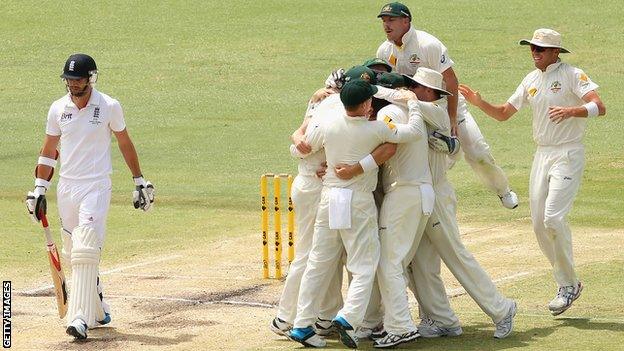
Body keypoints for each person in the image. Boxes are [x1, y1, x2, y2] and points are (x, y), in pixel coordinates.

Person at [459, 28, 606, 316]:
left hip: (568, 152)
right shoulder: (531, 80)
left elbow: (599, 106)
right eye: (532, 47)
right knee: (539, 224)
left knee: (553, 217)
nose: (534, 52)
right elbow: (503, 113)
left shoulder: (573, 74)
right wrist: (479, 103)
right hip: (542, 155)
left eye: (540, 48)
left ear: (555, 52)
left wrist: (570, 111)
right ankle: (571, 282)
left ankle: (566, 285)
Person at [26, 53, 154, 339]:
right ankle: (98, 310)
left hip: (96, 185)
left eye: (78, 80)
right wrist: (39, 188)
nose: (73, 85)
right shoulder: (58, 109)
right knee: (74, 253)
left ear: (91, 78)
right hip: (67, 187)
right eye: (69, 80)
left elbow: (124, 143)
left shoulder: (109, 106)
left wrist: (139, 180)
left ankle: (80, 317)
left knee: (85, 247)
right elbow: (49, 150)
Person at [288, 79, 423, 349]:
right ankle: (348, 317)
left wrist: (304, 136)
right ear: (364, 105)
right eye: (369, 100)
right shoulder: (376, 129)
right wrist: (413, 103)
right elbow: (413, 132)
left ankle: (302, 324)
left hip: (329, 197)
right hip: (357, 201)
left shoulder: (328, 125)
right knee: (364, 265)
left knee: (319, 261)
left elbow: (298, 149)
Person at [405, 69, 518, 340]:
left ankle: (502, 309)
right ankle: (442, 319)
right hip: (420, 195)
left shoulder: (435, 111)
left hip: (437, 195)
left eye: (417, 87)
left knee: (454, 254)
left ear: (431, 93)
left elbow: (410, 103)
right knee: (421, 261)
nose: (412, 90)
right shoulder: (417, 111)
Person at [375, 2, 519, 209]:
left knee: (478, 153)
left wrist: (452, 118)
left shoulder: (428, 44)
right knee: (432, 160)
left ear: (406, 21)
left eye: (391, 20)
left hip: (447, 105)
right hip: (417, 109)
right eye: (384, 21)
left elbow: (451, 80)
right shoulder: (384, 50)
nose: (386, 25)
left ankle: (503, 191)